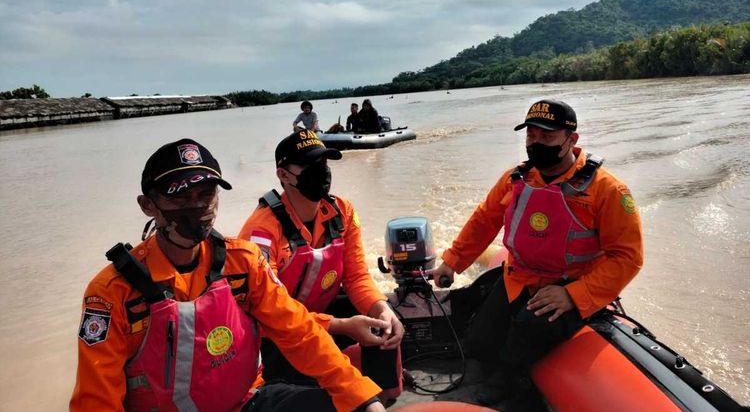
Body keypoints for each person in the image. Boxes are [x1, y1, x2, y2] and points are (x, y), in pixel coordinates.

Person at [70, 138, 385, 412]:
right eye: (179, 197)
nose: (197, 207)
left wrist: (360, 396)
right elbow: (97, 400)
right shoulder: (112, 293)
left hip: (247, 402)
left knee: (348, 405)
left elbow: (299, 331)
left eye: (206, 194)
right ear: (148, 205)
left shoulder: (242, 262)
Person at [430, 99, 643, 405]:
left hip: (568, 286)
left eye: (547, 136)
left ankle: (513, 388)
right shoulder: (515, 178)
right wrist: (452, 262)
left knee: (522, 340)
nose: (536, 143)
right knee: (478, 341)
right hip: (518, 277)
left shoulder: (608, 191)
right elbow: (484, 220)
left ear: (572, 139)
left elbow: (627, 257)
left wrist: (574, 295)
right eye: (531, 135)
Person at [238, 129, 404, 395]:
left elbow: (356, 277)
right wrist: (340, 326)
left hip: (322, 315)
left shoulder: (342, 212)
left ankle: (384, 394)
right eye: (308, 165)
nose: (320, 171)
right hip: (279, 336)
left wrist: (381, 308)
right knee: (309, 394)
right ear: (283, 175)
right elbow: (269, 314)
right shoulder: (262, 233)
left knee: (382, 320)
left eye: (323, 164)